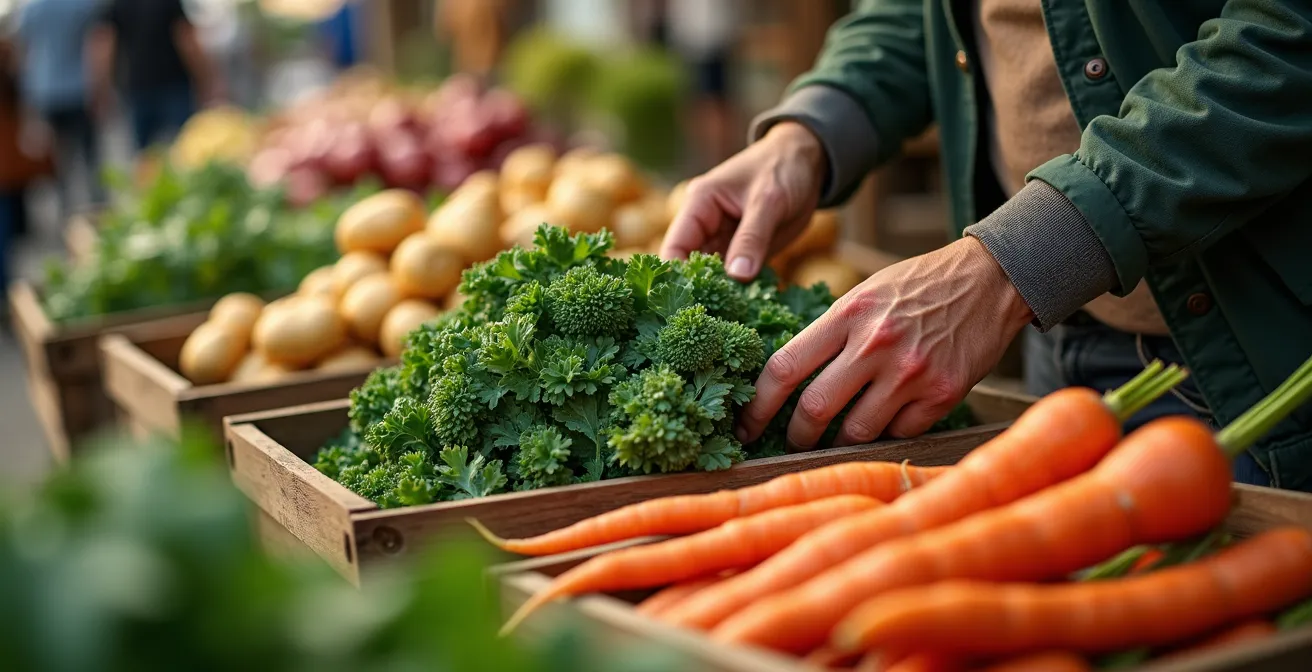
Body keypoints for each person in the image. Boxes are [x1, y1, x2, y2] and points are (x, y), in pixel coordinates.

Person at [661, 0, 1312, 491]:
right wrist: (808, 133)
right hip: (1055, 348)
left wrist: (1009, 264)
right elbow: (914, 15)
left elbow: (1289, 36)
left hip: (1261, 355)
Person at [87, 0, 224, 152]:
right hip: (174, 86)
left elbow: (104, 44)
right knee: (185, 149)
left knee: (145, 155)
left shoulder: (119, 4)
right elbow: (186, 40)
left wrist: (102, 87)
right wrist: (207, 80)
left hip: (138, 87)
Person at [15, 0, 105, 218]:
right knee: (90, 156)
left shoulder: (32, 10)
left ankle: (67, 212)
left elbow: (25, 54)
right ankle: (98, 211)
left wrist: (28, 98)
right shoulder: (82, 6)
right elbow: (96, 46)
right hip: (79, 90)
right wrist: (100, 88)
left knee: (60, 159)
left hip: (47, 92)